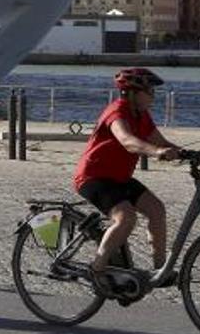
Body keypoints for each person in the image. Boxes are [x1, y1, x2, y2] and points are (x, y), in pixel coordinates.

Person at [73, 67, 182, 287]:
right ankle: (97, 268)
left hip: (119, 177)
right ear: (132, 92)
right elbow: (127, 141)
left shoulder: (141, 115)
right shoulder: (117, 111)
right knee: (126, 217)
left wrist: (189, 154)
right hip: (94, 177)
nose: (153, 94)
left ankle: (159, 270)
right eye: (149, 90)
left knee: (157, 210)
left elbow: (159, 140)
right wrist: (156, 152)